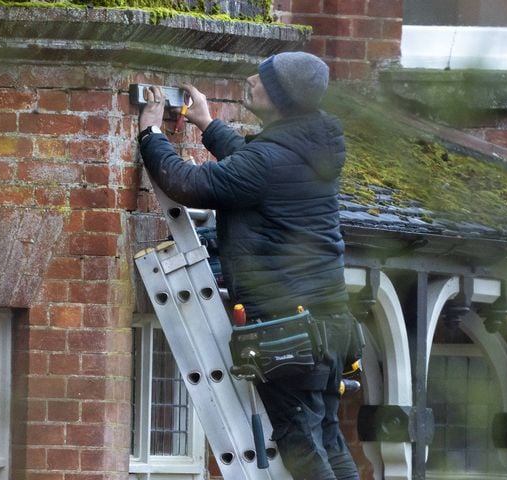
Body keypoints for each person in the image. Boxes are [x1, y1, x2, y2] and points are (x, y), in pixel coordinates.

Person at [137, 51, 362, 480]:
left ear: (279, 97)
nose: (250, 79)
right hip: (329, 326)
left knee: (300, 445)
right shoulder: (310, 145)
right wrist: (207, 125)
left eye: (262, 78)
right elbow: (252, 166)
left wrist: (150, 134)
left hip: (289, 324)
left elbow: (190, 184)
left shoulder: (270, 161)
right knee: (327, 439)